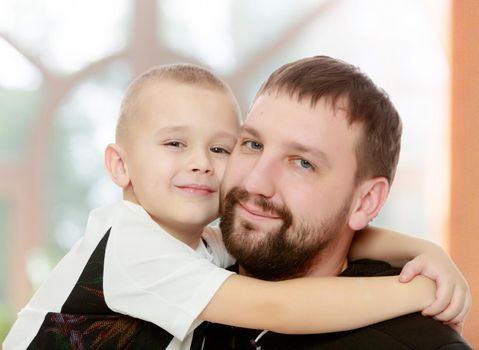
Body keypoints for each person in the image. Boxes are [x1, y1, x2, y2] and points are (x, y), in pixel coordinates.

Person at [3, 63, 468, 350]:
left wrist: (423, 253)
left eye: (222, 149)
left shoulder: (200, 249)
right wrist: (419, 291)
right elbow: (279, 308)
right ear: (120, 166)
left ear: (365, 201)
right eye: (174, 143)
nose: (201, 164)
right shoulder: (133, 249)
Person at [202, 55, 473, 349]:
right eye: (253, 144)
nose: (255, 183)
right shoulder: (181, 274)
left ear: (365, 202)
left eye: (303, 163)